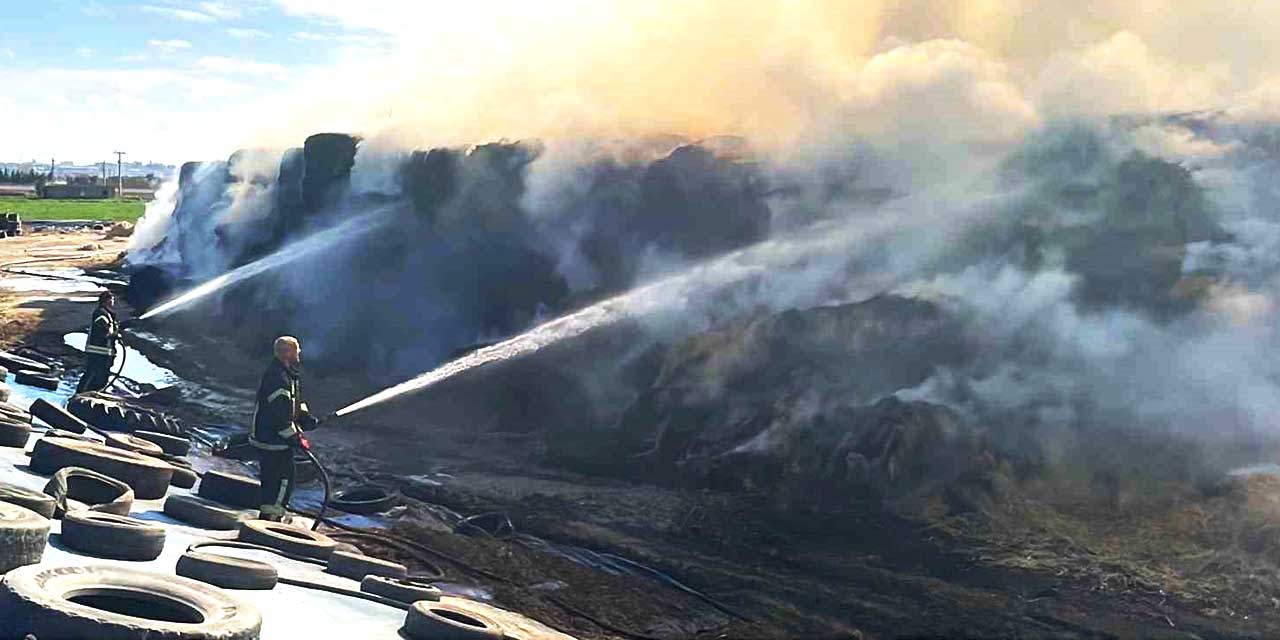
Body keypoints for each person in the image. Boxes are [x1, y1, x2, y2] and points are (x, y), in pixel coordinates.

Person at [251, 336, 321, 522]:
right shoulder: (278, 377)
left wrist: (304, 417)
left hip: (269, 438)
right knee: (282, 481)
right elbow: (280, 416)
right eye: (296, 349)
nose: (299, 353)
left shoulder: (285, 374)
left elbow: (291, 403)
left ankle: (267, 517)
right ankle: (271, 521)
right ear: (288, 352)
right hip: (273, 441)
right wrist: (295, 438)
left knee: (272, 481)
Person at [75, 291, 119, 393]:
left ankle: (94, 394)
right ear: (106, 301)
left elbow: (109, 330)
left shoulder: (107, 314)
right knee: (92, 374)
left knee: (101, 376)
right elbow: (102, 330)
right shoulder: (101, 313)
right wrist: (114, 335)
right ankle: (82, 394)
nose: (113, 302)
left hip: (104, 352)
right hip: (98, 351)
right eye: (112, 299)